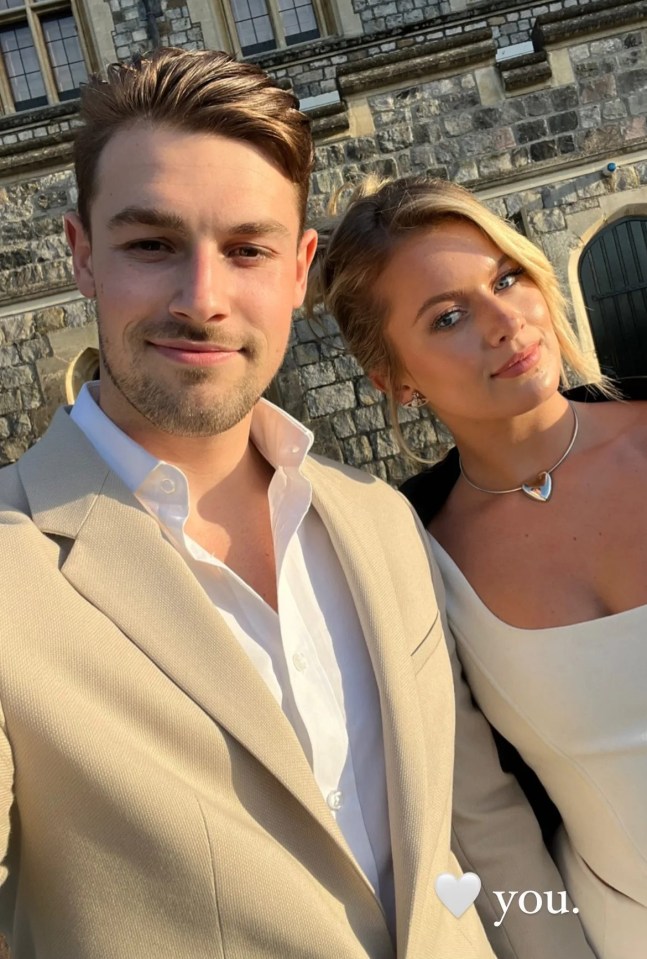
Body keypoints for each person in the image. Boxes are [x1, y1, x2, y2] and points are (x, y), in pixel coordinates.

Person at [1, 47, 531, 959]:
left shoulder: (375, 517)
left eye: (247, 249)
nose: (202, 299)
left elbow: (471, 817)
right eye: (152, 245)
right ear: (82, 255)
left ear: (299, 269)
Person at [309, 173, 647, 959]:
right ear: (395, 378)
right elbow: (481, 815)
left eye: (507, 278)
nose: (505, 321)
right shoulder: (408, 555)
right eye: (449, 317)